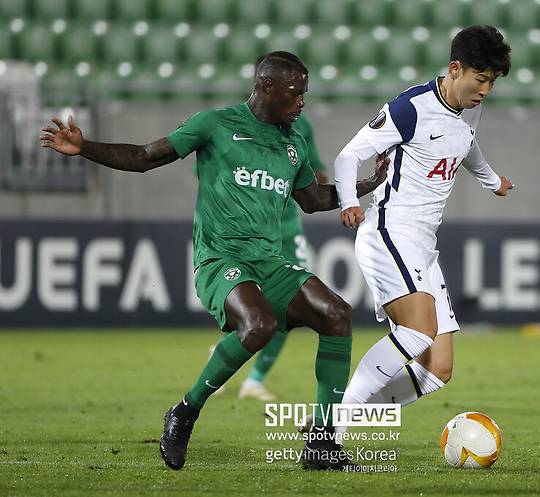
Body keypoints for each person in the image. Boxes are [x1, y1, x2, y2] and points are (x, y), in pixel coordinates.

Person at [40, 51, 388, 471]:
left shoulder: (293, 144)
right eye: (295, 94)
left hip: (269, 262)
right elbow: (146, 156)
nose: (301, 103)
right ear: (267, 87)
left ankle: (322, 443)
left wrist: (369, 183)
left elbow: (312, 201)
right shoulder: (215, 124)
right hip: (219, 258)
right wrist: (85, 147)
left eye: (305, 95)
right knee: (258, 324)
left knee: (336, 313)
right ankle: (185, 411)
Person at [332, 26, 514, 439]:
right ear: (455, 68)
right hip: (389, 230)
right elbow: (348, 157)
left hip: (423, 247)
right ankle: (331, 435)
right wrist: (348, 202)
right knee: (416, 332)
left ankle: (334, 420)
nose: (485, 90)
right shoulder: (410, 108)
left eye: (492, 82)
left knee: (438, 369)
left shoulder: (468, 109)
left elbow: (466, 146)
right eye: (480, 79)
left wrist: (492, 181)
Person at [209, 113, 329, 402]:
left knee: (290, 305)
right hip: (247, 232)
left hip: (286, 229)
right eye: (293, 91)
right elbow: (214, 169)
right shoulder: (232, 126)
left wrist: (318, 180)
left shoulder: (301, 126)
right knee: (257, 305)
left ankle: (254, 380)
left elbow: (313, 171)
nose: (299, 101)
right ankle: (228, 353)